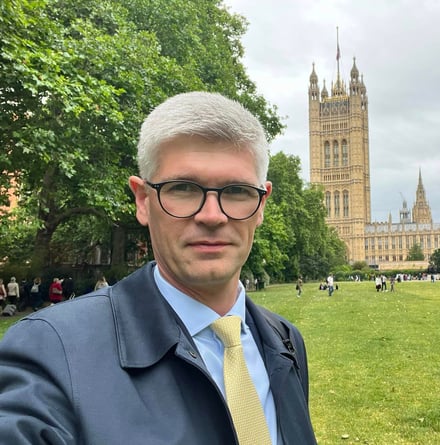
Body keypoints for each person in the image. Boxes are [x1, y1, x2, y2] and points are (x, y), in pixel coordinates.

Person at [0, 92, 317, 444]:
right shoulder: (53, 350)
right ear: (143, 200)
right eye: (182, 188)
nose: (212, 216)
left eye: (237, 191)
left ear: (261, 206)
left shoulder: (284, 341)